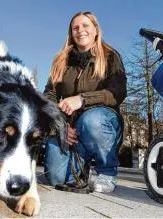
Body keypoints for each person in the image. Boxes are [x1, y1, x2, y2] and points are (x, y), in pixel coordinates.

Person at [43, 11, 127, 193]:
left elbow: (117, 92)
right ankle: (81, 170)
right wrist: (60, 125)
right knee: (56, 178)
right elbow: (48, 96)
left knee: (92, 121)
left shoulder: (110, 56)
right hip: (69, 127)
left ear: (96, 30)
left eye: (86, 25)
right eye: (75, 27)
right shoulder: (60, 60)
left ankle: (107, 172)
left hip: (101, 123)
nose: (80, 30)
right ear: (71, 33)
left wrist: (82, 100)